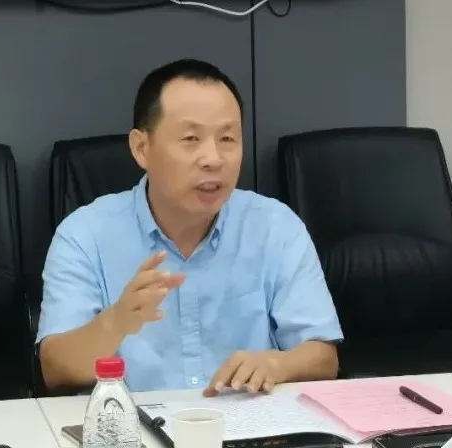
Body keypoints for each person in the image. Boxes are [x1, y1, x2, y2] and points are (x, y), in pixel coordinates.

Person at [36, 58, 343, 396]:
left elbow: (323, 358)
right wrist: (116, 321)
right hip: (135, 422)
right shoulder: (85, 235)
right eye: (191, 138)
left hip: (247, 419)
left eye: (227, 138)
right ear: (141, 148)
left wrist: (277, 364)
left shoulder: (276, 227)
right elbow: (55, 369)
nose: (213, 159)